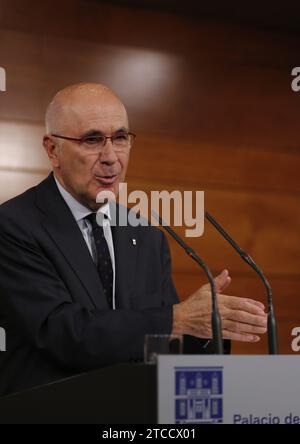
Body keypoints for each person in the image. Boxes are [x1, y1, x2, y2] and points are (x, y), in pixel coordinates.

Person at [0, 83, 267, 396]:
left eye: (121, 138)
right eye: (93, 139)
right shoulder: (14, 225)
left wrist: (205, 328)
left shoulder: (147, 235)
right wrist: (177, 318)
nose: (111, 157)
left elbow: (160, 344)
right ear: (52, 150)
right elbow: (63, 333)